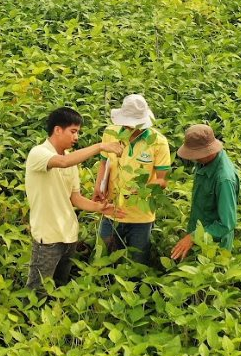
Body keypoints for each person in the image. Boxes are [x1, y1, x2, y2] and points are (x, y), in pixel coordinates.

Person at [25, 107, 124, 292]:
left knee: (60, 287)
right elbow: (62, 163)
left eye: (78, 132)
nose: (76, 137)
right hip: (47, 237)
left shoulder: (70, 160)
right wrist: (100, 146)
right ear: (57, 129)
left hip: (69, 236)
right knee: (37, 291)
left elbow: (75, 198)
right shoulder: (38, 154)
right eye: (73, 131)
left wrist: (99, 207)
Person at [94, 94, 171, 264]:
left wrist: (143, 189)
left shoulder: (158, 142)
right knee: (104, 258)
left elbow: (162, 181)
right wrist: (99, 186)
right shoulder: (111, 132)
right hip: (111, 209)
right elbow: (104, 162)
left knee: (138, 262)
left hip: (141, 216)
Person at [170, 124, 240, 261]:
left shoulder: (224, 179)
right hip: (199, 236)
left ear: (208, 151)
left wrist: (193, 237)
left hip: (214, 248)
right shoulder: (205, 162)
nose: (193, 158)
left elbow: (226, 224)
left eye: (196, 154)